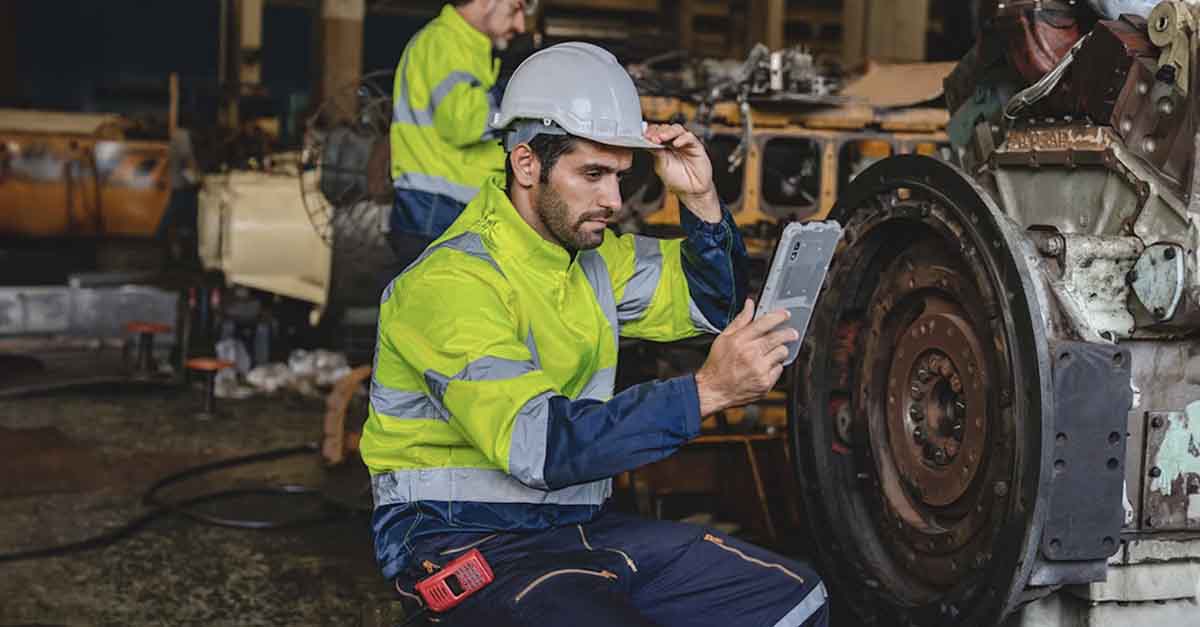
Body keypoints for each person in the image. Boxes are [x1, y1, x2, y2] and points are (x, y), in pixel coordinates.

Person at [362, 42, 829, 627]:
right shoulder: (449, 285)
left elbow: (711, 303)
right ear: (526, 164)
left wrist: (702, 200)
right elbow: (542, 446)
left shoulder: (589, 258)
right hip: (468, 542)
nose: (613, 201)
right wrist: (706, 391)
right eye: (593, 174)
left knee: (792, 600)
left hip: (578, 530)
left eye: (620, 176)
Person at [388, 0, 532, 265]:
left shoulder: (467, 46)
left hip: (441, 208)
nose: (520, 25)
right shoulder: (443, 41)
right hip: (435, 209)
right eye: (515, 9)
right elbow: (464, 122)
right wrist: (522, 91)